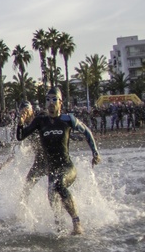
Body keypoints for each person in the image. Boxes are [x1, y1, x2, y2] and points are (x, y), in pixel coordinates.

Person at [16, 87, 100, 234]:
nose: (50, 103)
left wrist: (95, 153)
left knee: (59, 184)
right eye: (48, 100)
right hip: (52, 170)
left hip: (68, 168)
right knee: (52, 194)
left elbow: (86, 131)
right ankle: (60, 228)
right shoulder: (40, 121)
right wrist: (20, 123)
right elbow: (20, 136)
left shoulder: (68, 119)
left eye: (54, 99)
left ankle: (77, 223)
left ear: (60, 102)